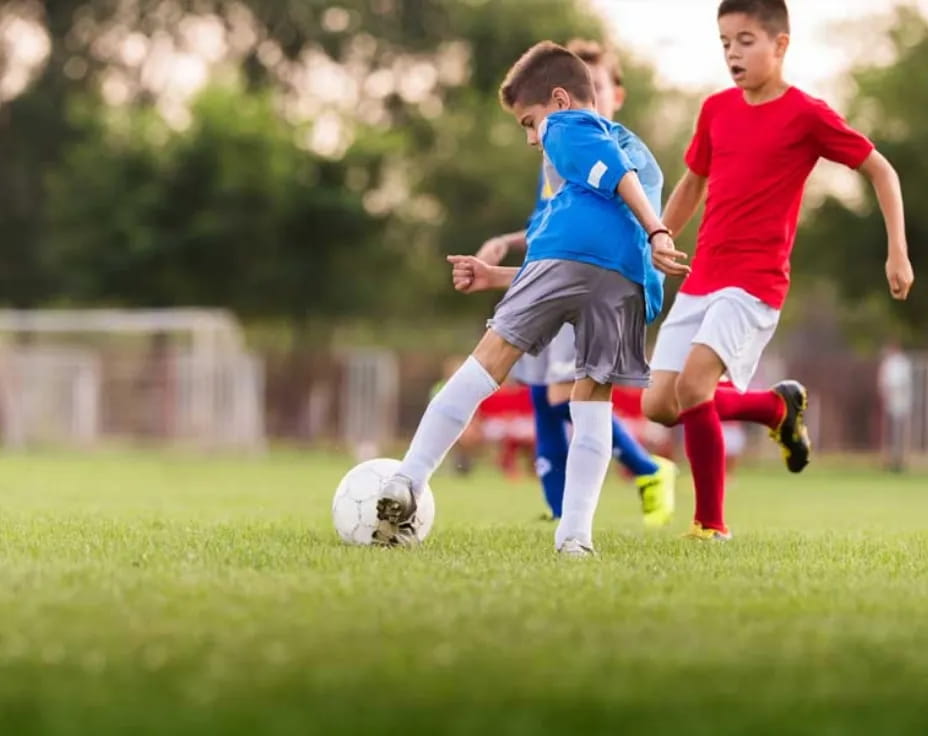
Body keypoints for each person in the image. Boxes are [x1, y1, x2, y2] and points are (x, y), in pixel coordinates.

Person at [372, 41, 687, 553]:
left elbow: (597, 201)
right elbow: (600, 234)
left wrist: (659, 231)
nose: (531, 138)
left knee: (488, 363)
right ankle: (575, 538)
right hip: (625, 281)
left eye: (527, 122)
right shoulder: (642, 152)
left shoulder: (569, 126)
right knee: (592, 405)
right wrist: (496, 275)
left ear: (559, 100)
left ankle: (407, 480)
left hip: (578, 256)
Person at [640, 0, 915, 540]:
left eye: (745, 41)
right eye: (724, 43)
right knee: (661, 405)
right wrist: (660, 234)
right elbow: (693, 180)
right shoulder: (716, 109)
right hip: (703, 278)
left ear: (780, 44)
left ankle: (710, 526)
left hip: (754, 282)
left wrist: (897, 250)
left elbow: (881, 170)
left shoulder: (806, 114)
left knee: (696, 386)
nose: (732, 54)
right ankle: (774, 407)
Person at [476, 39, 676, 527]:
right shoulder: (559, 152)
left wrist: (657, 234)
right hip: (556, 270)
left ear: (613, 94)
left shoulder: (621, 151)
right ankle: (560, 507)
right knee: (544, 393)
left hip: (594, 281)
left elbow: (615, 218)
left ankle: (646, 470)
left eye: (600, 85)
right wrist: (507, 242)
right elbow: (553, 224)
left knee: (568, 395)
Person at [878, 342, 913, 473]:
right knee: (889, 432)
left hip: (901, 399)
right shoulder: (887, 363)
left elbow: (905, 383)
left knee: (900, 432)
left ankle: (901, 459)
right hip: (889, 400)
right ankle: (889, 459)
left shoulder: (903, 363)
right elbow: (883, 382)